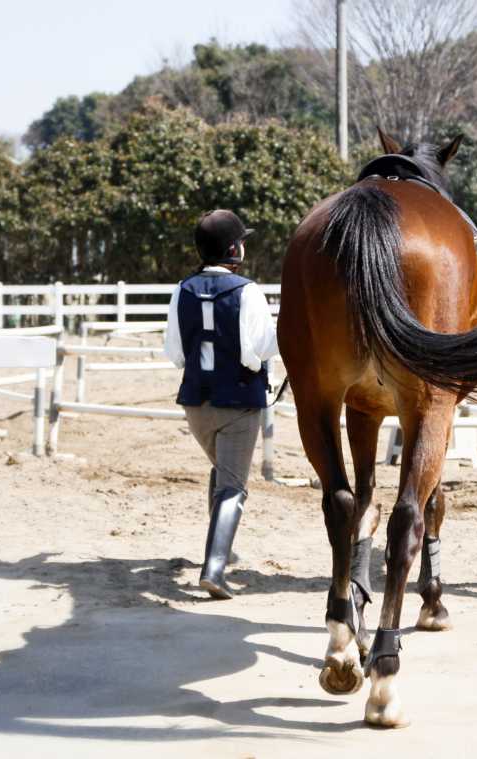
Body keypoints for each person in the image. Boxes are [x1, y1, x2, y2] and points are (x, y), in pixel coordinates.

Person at [164, 209, 278, 599]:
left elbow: (175, 353)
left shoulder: (182, 289)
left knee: (221, 472)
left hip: (195, 404)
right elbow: (261, 349)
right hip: (239, 404)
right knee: (233, 487)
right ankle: (213, 568)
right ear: (233, 249)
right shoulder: (248, 291)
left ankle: (222, 551)